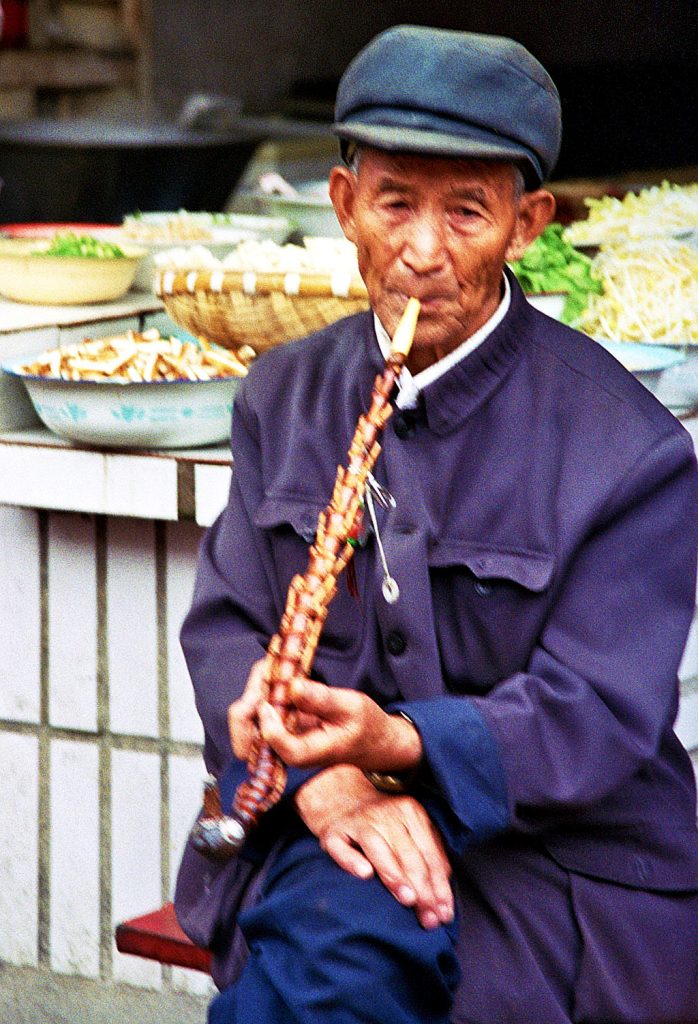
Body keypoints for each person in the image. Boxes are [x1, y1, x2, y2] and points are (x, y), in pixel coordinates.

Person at [175, 24, 698, 1024]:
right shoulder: (281, 392)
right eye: (393, 203)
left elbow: (595, 709)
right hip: (320, 826)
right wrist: (316, 779)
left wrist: (403, 742)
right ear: (342, 205)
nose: (421, 252)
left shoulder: (623, 446)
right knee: (330, 948)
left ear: (527, 222)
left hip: (551, 859)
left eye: (465, 212)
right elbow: (226, 630)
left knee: (333, 968)